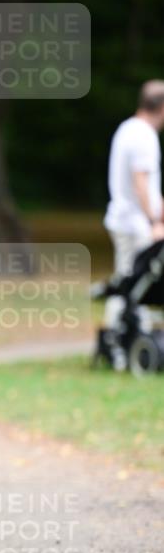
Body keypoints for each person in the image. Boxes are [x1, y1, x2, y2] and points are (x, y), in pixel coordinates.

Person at [103, 80, 164, 354]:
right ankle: (119, 341)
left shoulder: (126, 129)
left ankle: (119, 338)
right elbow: (140, 181)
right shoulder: (144, 136)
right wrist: (154, 222)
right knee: (133, 282)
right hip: (135, 223)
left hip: (122, 217)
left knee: (127, 279)